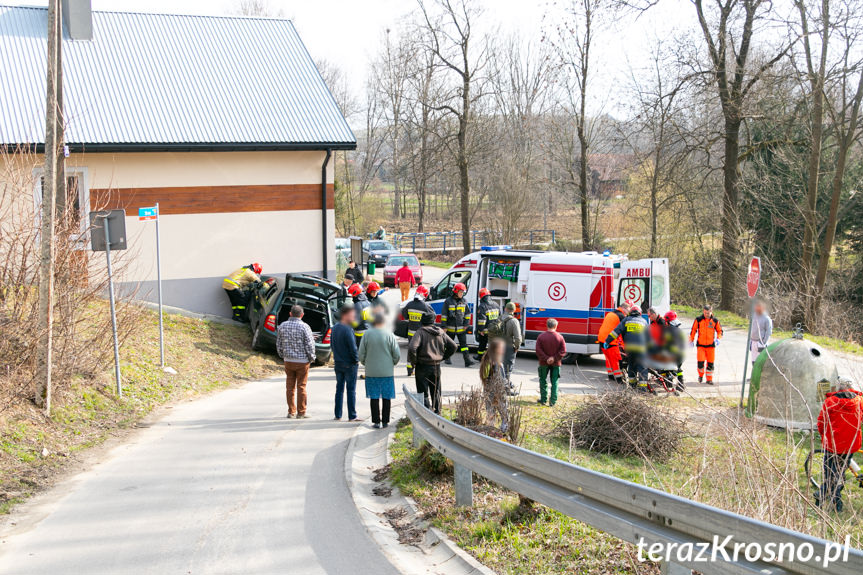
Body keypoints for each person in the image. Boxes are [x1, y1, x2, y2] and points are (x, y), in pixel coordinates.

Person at [815, 379, 863, 512]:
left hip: (833, 445)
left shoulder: (830, 402)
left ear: (838, 388)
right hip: (850, 444)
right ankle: (833, 499)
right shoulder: (859, 401)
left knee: (830, 473)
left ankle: (826, 496)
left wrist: (824, 435)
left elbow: (821, 422)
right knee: (839, 471)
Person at [408, 311, 457, 413]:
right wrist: (443, 357)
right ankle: (438, 413)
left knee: (423, 393)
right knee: (436, 391)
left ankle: (426, 413)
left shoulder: (420, 332)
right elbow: (454, 346)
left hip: (422, 366)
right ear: (433, 321)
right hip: (436, 366)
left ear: (422, 321)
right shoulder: (440, 331)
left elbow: (412, 348)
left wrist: (414, 361)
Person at [358, 313, 400, 428]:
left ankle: (376, 421)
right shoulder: (390, 334)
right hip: (387, 372)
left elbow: (361, 353)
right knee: (387, 396)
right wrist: (392, 363)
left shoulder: (367, 334)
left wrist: (366, 363)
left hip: (371, 372)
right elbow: (397, 354)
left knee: (374, 396)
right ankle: (385, 421)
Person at [276, 304, 315, 419]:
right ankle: (301, 412)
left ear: (290, 314)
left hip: (288, 360)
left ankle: (291, 411)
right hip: (302, 361)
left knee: (290, 387)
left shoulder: (282, 326)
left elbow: (279, 344)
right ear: (302, 315)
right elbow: (309, 345)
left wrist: (283, 355)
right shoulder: (305, 327)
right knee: (301, 386)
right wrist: (311, 357)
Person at [605, 306, 649, 391]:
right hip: (641, 349)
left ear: (630, 312)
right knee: (642, 368)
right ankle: (643, 389)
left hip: (630, 348)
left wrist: (607, 341)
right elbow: (649, 337)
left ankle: (632, 386)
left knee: (631, 366)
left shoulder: (626, 320)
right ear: (640, 313)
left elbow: (616, 332)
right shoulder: (644, 321)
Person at [331, 304, 361, 422]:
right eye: (352, 314)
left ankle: (338, 414)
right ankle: (352, 415)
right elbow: (353, 348)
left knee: (339, 389)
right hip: (349, 363)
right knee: (351, 390)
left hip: (338, 362)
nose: (353, 317)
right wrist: (356, 360)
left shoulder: (334, 328)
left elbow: (332, 345)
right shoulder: (347, 329)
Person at [403, 285, 434, 376]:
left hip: (410, 333)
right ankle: (419, 370)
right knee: (421, 351)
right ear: (425, 295)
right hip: (421, 333)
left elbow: (405, 315)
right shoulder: (425, 306)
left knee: (411, 350)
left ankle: (410, 369)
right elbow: (432, 317)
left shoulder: (409, 304)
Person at [442, 282, 475, 367]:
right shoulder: (448, 301)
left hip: (461, 329)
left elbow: (468, 314)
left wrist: (466, 324)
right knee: (450, 345)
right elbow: (444, 315)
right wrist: (444, 326)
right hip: (450, 328)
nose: (462, 294)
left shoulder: (464, 301)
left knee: (464, 346)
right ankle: (447, 358)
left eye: (463, 292)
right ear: (456, 291)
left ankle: (467, 361)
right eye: (461, 292)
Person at [597, 301, 631, 383]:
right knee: (616, 360)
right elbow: (623, 332)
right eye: (628, 310)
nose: (628, 312)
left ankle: (611, 376)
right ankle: (619, 379)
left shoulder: (611, 313)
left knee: (608, 359)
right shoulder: (621, 316)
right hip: (610, 341)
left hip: (602, 339)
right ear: (624, 308)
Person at [479, 338, 509, 431]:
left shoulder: (490, 359)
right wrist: (506, 384)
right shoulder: (493, 362)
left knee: (492, 412)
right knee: (502, 411)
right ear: (495, 349)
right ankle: (502, 430)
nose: (503, 350)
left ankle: (492, 429)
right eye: (501, 348)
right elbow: (496, 378)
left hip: (490, 389)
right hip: (496, 390)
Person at [535, 318, 566, 406]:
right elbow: (563, 351)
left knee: (542, 380)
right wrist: (554, 358)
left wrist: (546, 358)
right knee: (555, 382)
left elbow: (538, 350)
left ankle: (543, 399)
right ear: (556, 326)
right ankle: (552, 402)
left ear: (547, 325)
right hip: (556, 363)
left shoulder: (541, 336)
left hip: (543, 363)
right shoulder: (560, 337)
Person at [689, 304, 723, 384]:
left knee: (710, 363)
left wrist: (718, 338)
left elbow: (720, 331)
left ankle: (709, 379)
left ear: (711, 312)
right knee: (700, 363)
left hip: (711, 346)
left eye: (708, 313)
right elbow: (693, 330)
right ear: (703, 312)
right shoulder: (698, 320)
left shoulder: (715, 321)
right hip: (701, 345)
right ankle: (700, 375)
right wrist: (691, 340)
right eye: (705, 313)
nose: (706, 315)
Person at [499, 302, 522, 393]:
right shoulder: (514, 321)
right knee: (508, 368)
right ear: (514, 310)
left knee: (499, 367)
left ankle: (498, 385)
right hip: (509, 347)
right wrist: (517, 347)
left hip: (498, 346)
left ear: (505, 309)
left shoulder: (499, 318)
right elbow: (517, 337)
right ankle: (506, 389)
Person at [662, 310, 686, 390]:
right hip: (682, 354)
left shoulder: (668, 331)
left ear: (668, 321)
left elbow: (666, 343)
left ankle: (669, 384)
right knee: (678, 369)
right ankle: (681, 385)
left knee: (668, 368)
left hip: (673, 354)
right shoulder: (680, 330)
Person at [475, 288, 500, 361]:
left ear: (481, 297)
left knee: (482, 344)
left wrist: (481, 330)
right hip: (495, 329)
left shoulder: (482, 306)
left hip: (485, 330)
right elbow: (499, 316)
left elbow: (482, 320)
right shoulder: (496, 304)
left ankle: (480, 357)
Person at [750, 299, 773, 367]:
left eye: (759, 306)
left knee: (760, 361)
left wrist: (763, 342)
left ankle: (760, 377)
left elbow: (768, 331)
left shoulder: (766, 318)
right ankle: (754, 375)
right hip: (753, 341)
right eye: (756, 306)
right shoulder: (754, 316)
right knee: (753, 361)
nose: (757, 308)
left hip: (760, 343)